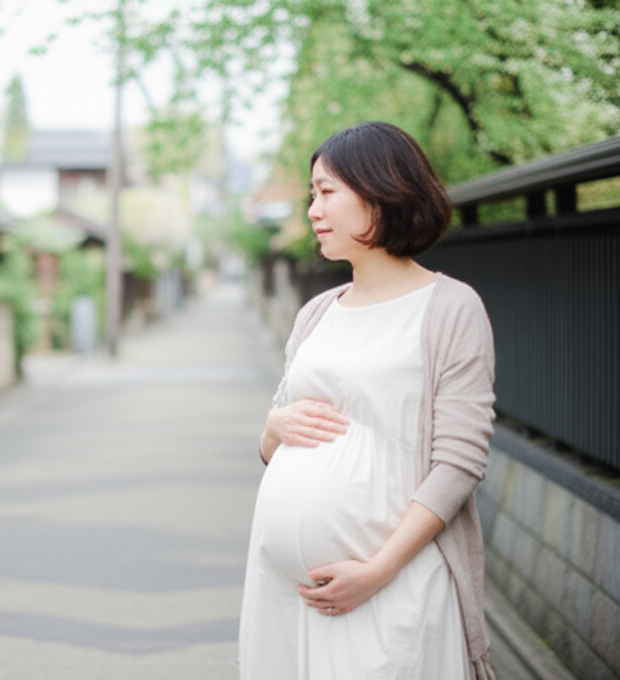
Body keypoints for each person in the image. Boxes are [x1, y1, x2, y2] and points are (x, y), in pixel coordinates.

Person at [238, 121, 497, 680]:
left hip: (392, 591)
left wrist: (377, 571)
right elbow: (274, 442)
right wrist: (272, 428)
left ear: (382, 191)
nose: (313, 210)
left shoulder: (451, 309)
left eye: (327, 192)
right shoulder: (317, 313)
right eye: (312, 194)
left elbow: (459, 463)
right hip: (287, 598)